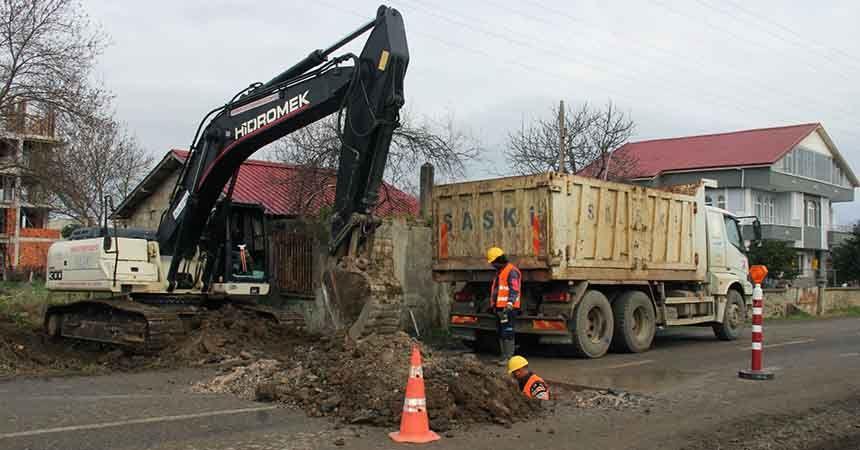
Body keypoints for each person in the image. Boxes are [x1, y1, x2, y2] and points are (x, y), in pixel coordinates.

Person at [486, 247, 521, 365]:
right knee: (501, 332)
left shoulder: (512, 271)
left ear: (498, 260)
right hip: (500, 308)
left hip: (508, 308)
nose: (492, 265)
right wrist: (493, 305)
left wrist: (510, 303)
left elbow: (514, 289)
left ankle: (509, 358)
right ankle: (503, 357)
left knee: (508, 332)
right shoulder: (500, 272)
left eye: (493, 262)